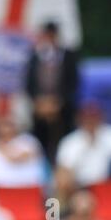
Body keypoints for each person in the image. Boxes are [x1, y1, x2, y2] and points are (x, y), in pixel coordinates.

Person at [26, 21, 79, 166]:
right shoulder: (35, 56)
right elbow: (29, 83)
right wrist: (40, 102)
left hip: (62, 111)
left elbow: (73, 82)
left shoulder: (68, 56)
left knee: (62, 142)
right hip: (40, 110)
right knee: (41, 141)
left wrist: (58, 102)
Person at [55, 100, 111, 203]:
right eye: (87, 118)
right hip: (81, 190)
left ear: (101, 117)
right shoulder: (70, 142)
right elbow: (63, 173)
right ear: (79, 119)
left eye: (94, 117)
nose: (90, 121)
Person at [0, 117, 45, 188]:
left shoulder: (28, 141)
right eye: (2, 134)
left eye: (9, 133)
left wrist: (3, 149)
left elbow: (19, 157)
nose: (6, 137)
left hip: (29, 189)